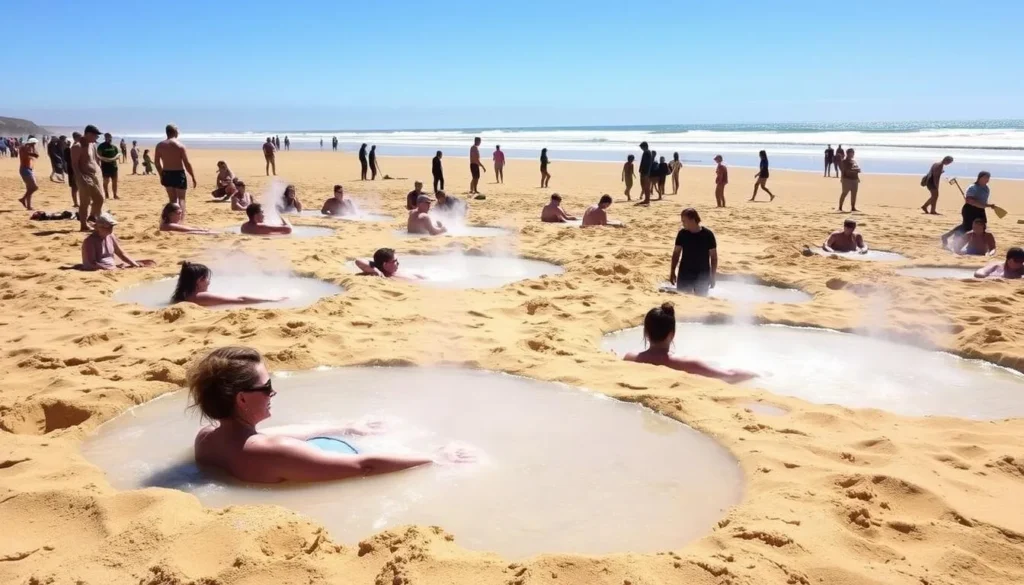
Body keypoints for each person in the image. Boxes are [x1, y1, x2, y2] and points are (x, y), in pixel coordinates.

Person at [188, 346, 472, 483]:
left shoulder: (206, 438)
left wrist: (345, 426)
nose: (273, 393)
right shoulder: (275, 453)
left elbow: (264, 437)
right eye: (267, 386)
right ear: (241, 398)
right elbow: (365, 466)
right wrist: (435, 458)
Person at [623, 303, 757, 383]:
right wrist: (757, 374)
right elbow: (729, 376)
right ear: (672, 334)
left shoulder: (630, 358)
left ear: (646, 333)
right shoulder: (687, 364)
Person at [172, 262, 283, 306]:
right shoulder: (200, 296)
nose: (209, 281)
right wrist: (272, 300)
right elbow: (241, 300)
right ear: (199, 281)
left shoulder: (182, 295)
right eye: (206, 278)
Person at [941, 171, 998, 248]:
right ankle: (952, 238)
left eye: (988, 178)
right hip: (970, 209)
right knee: (967, 226)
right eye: (985, 177)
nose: (987, 179)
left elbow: (983, 200)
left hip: (980, 209)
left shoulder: (986, 188)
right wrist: (987, 205)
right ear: (980, 178)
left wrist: (985, 206)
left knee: (982, 225)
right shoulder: (973, 187)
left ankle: (978, 242)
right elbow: (969, 200)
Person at [80, 213, 155, 270]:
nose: (110, 229)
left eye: (112, 226)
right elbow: (91, 263)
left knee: (150, 262)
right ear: (97, 227)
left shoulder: (111, 236)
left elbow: (121, 253)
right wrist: (112, 269)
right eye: (107, 227)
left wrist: (134, 264)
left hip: (112, 267)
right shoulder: (89, 241)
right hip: (101, 269)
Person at [669, 207, 717, 295]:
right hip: (685, 273)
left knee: (700, 302)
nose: (682, 223)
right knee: (683, 299)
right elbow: (676, 254)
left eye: (684, 221)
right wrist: (672, 271)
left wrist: (713, 276)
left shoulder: (708, 235)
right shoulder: (682, 234)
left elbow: (713, 257)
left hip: (702, 274)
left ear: (692, 220)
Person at [155, 124, 198, 219]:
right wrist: (193, 177)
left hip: (167, 172)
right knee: (182, 199)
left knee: (172, 199)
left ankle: (172, 218)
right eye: (178, 131)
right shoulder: (180, 146)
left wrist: (161, 175)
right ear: (174, 132)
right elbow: (186, 163)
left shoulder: (160, 145)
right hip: (178, 173)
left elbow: (157, 163)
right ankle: (181, 219)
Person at [73, 126, 105, 231]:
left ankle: (91, 217)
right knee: (85, 202)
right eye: (95, 135)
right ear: (87, 134)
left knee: (100, 199)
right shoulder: (77, 146)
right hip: (84, 176)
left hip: (94, 175)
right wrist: (80, 178)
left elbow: (95, 159)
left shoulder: (93, 145)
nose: (96, 137)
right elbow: (75, 165)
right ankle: (84, 225)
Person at [355, 248, 422, 280]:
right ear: (385, 264)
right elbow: (358, 261)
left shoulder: (394, 272)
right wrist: (376, 271)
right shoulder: (386, 276)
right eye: (395, 261)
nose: (398, 263)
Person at [17, 136, 40, 210]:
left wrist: (33, 148)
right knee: (34, 187)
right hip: (25, 169)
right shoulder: (24, 147)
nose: (34, 144)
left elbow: (37, 155)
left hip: (29, 169)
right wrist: (32, 152)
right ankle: (23, 199)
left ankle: (29, 206)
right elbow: (25, 155)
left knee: (29, 188)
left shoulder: (30, 147)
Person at [97, 133, 120, 200]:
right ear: (105, 138)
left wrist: (113, 159)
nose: (109, 139)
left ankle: (115, 195)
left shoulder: (114, 147)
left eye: (110, 137)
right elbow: (98, 156)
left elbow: (118, 155)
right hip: (105, 167)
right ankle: (106, 194)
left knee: (115, 181)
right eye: (107, 137)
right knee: (106, 181)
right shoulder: (101, 146)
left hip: (114, 166)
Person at [838, 148, 861, 212]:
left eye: (853, 153)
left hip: (855, 179)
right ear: (847, 153)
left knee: (854, 194)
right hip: (847, 179)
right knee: (844, 193)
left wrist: (858, 177)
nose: (852, 154)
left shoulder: (854, 161)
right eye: (851, 153)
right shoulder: (844, 161)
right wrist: (842, 178)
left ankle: (853, 207)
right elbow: (845, 170)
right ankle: (840, 207)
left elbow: (857, 170)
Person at [65, 133, 80, 207]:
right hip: (73, 170)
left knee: (76, 187)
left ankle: (76, 203)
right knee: (75, 187)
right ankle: (76, 203)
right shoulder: (74, 147)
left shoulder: (72, 146)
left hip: (73, 169)